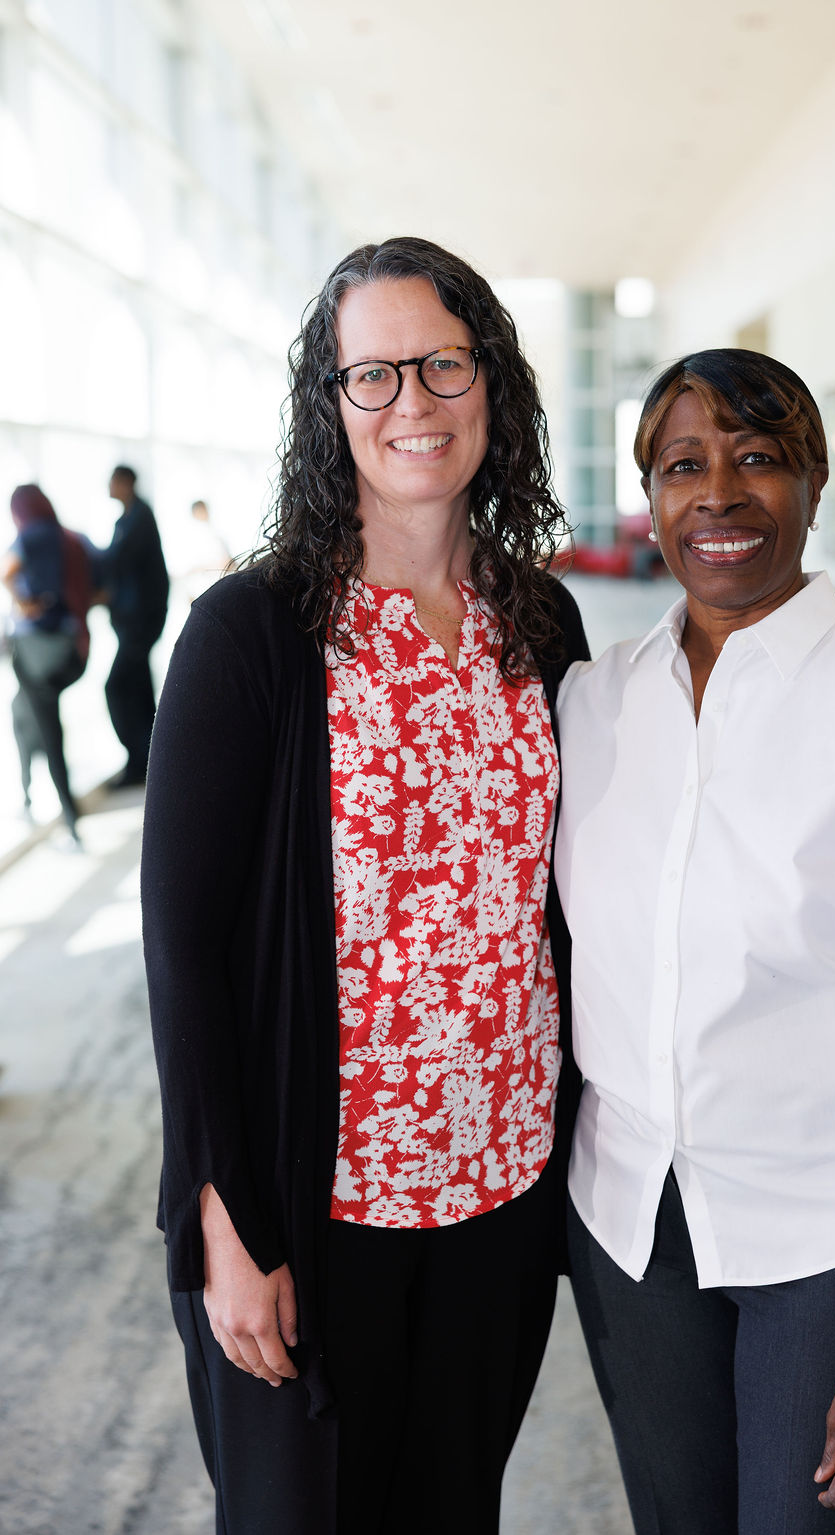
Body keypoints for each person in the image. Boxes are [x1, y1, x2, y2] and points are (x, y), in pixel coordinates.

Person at [141, 236, 588, 1535]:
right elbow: (185, 948)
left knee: (453, 1508)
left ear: (491, 384)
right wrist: (221, 1216)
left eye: (443, 364)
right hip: (310, 1193)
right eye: (374, 373)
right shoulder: (257, 630)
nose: (413, 403)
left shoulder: (540, 621)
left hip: (501, 1182)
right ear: (328, 404)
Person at [554, 349, 835, 1535]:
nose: (719, 494)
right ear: (650, 496)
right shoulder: (596, 701)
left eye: (756, 458)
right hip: (635, 1227)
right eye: (683, 465)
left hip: (832, 1239)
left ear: (810, 481)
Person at [2, 484, 94, 841]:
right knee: (20, 713)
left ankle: (70, 820)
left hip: (37, 652)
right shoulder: (73, 540)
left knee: (46, 727)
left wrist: (22, 603)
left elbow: (6, 571)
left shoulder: (31, 536)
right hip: (73, 650)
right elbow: (99, 588)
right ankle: (27, 797)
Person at [103, 465, 169, 786]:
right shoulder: (128, 519)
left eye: (113, 480)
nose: (108, 486)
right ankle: (147, 761)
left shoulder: (139, 519)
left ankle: (137, 761)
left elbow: (119, 561)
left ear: (126, 482)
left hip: (140, 623)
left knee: (116, 687)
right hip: (134, 622)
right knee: (140, 691)